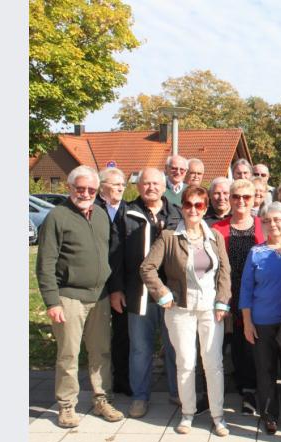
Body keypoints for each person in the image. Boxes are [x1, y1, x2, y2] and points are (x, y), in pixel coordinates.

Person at [139, 186, 232, 437]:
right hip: (180, 309)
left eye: (199, 205)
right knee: (186, 363)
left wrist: (222, 301)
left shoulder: (214, 236)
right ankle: (188, 413)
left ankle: (218, 416)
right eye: (188, 204)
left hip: (210, 309)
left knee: (213, 363)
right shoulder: (169, 237)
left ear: (205, 208)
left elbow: (225, 271)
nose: (193, 210)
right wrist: (162, 293)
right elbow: (147, 268)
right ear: (182, 207)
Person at [36, 165, 124, 428]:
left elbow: (109, 256)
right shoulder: (57, 217)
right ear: (70, 187)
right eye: (80, 188)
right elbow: (45, 263)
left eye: (91, 190)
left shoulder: (100, 215)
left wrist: (114, 289)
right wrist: (52, 302)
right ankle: (66, 406)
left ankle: (102, 399)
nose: (85, 193)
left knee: (101, 351)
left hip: (100, 296)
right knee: (68, 354)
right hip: (69, 296)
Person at [109, 167, 182, 418]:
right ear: (138, 187)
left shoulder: (176, 214)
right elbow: (115, 254)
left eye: (155, 183)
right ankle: (140, 397)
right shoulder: (126, 213)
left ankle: (177, 392)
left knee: (174, 346)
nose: (151, 187)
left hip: (171, 293)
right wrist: (116, 289)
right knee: (140, 349)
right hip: (138, 292)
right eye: (146, 183)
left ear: (164, 186)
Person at [240, 202, 281, 435]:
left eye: (278, 219)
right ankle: (269, 415)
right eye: (267, 221)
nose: (272, 224)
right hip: (262, 322)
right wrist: (247, 322)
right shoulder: (255, 252)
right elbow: (246, 289)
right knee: (265, 371)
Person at [211, 178, 264, 415]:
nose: (241, 201)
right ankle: (218, 392)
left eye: (246, 197)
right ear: (229, 199)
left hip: (256, 295)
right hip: (226, 294)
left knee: (250, 345)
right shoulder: (217, 228)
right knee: (226, 345)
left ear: (254, 200)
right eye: (236, 196)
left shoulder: (264, 225)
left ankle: (250, 391)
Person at [96, 167, 131, 396]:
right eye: (115, 184)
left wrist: (119, 287)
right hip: (97, 281)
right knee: (98, 336)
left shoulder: (129, 210)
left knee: (122, 333)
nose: (120, 188)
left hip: (122, 281)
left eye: (122, 185)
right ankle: (100, 383)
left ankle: (121, 380)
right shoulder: (92, 209)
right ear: (102, 186)